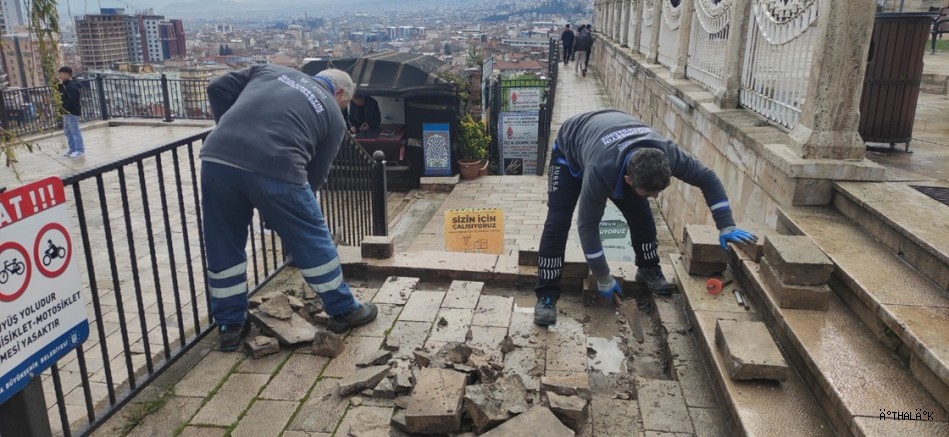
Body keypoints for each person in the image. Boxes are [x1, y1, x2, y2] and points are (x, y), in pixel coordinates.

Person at [200, 65, 378, 351]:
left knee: (223, 241)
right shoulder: (333, 116)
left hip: (217, 159)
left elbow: (217, 87)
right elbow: (317, 175)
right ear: (340, 93)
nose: (342, 110)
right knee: (313, 238)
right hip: (278, 166)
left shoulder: (269, 71)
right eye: (343, 105)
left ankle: (229, 326)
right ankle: (344, 309)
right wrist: (287, 214)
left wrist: (231, 128)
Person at [533, 110, 757, 326]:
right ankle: (547, 295)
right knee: (557, 222)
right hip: (570, 150)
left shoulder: (667, 153)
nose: (655, 197)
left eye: (658, 191)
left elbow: (708, 178)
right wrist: (603, 276)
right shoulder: (601, 170)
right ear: (629, 180)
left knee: (642, 214)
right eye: (650, 192)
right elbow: (588, 227)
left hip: (612, 139)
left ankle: (648, 269)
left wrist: (726, 225)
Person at [58, 66, 85, 158]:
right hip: (65, 112)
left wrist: (65, 108)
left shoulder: (72, 86)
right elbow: (60, 91)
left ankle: (79, 150)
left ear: (66, 74)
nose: (60, 76)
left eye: (61, 74)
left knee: (74, 131)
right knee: (67, 131)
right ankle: (72, 148)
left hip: (71, 112)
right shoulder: (65, 84)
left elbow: (72, 100)